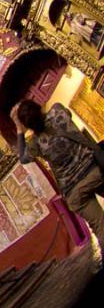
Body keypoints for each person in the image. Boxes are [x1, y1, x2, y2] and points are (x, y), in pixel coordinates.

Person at [11, 100, 104, 245]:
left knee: (101, 228)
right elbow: (68, 115)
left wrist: (18, 127)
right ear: (39, 107)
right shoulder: (57, 111)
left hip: (74, 192)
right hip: (94, 171)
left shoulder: (35, 144)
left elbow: (23, 158)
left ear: (27, 126)